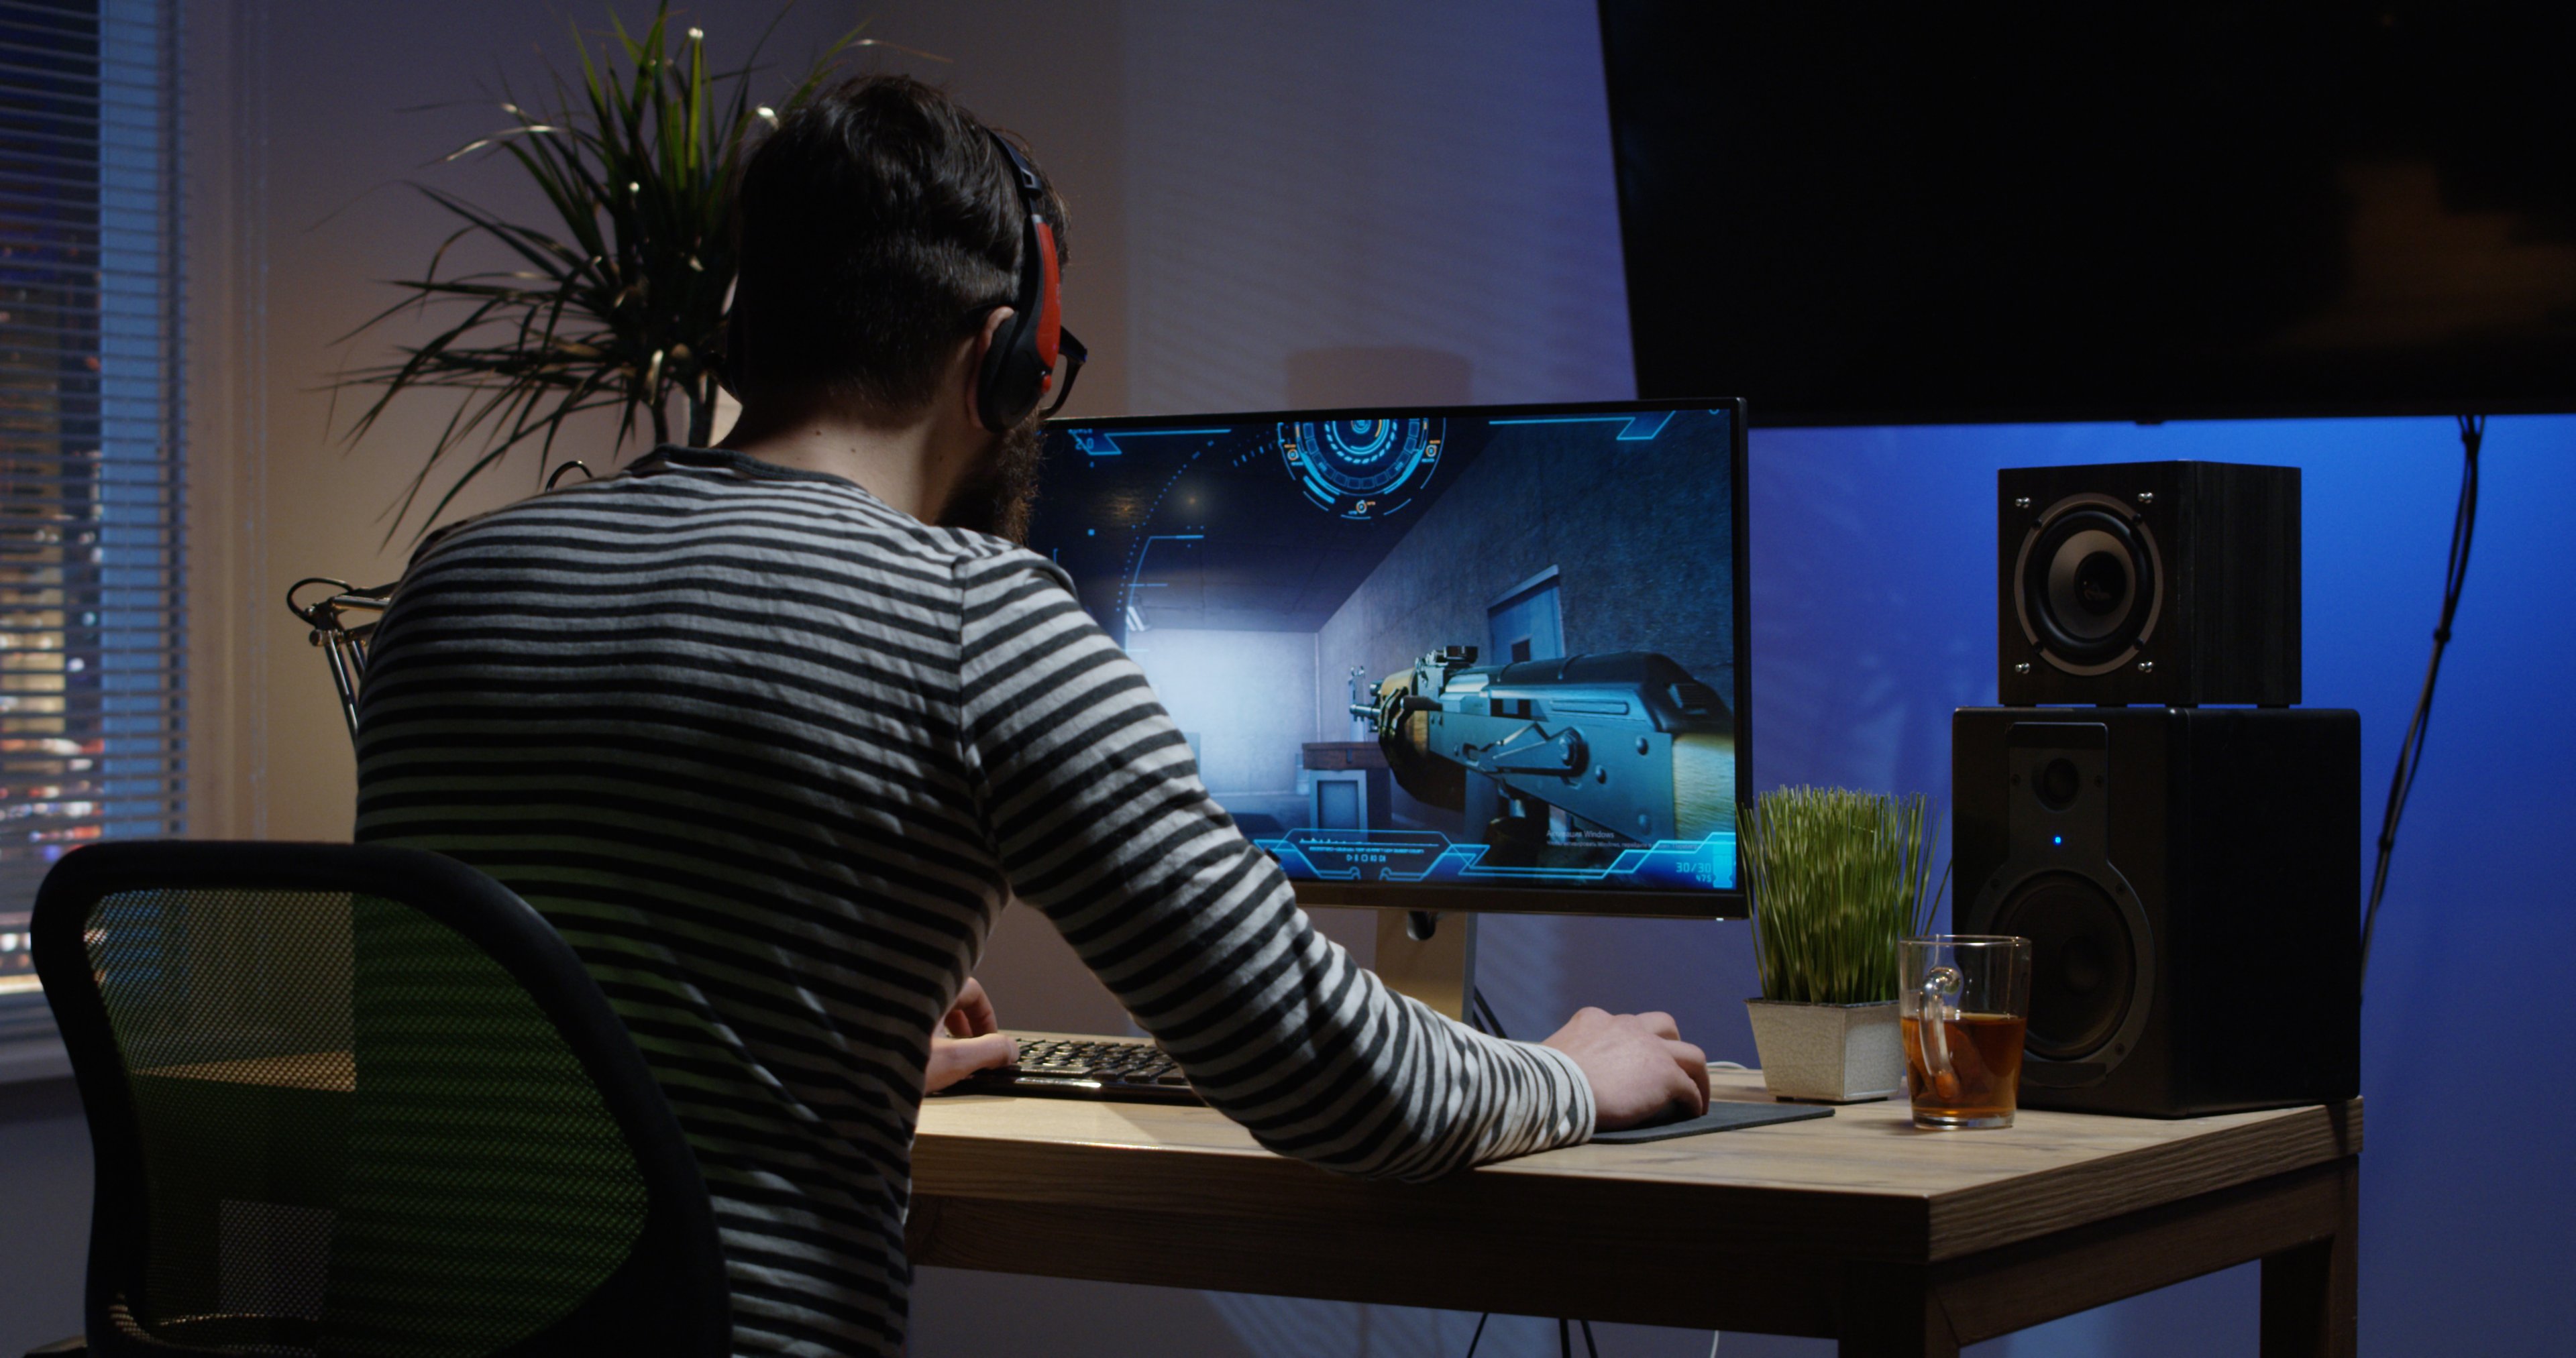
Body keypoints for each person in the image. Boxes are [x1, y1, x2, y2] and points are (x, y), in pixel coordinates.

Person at [353, 74, 1708, 1358]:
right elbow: (1331, 1079)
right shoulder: (977, 616)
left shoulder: (450, 581)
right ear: (1003, 360)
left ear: (740, 325)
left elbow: (521, 1041)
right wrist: (1571, 1072)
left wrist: (824, 1046)